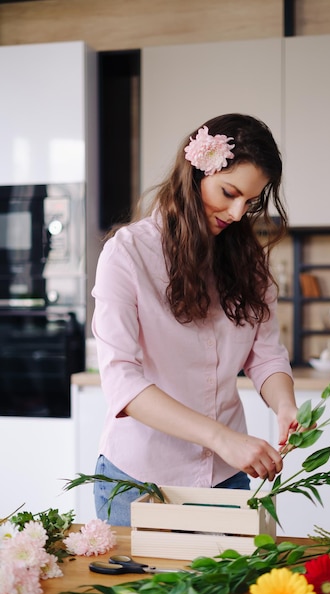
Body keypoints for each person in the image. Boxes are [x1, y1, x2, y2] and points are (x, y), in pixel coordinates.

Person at [92, 113, 299, 526]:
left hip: (227, 480)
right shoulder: (128, 255)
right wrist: (223, 439)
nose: (239, 213)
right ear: (196, 171)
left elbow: (266, 357)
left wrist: (285, 404)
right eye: (229, 192)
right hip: (138, 482)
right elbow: (123, 382)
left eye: (251, 201)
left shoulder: (248, 263)